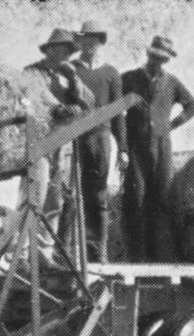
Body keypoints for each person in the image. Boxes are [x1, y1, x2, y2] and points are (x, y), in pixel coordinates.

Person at [121, 36, 194, 262]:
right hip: (136, 148)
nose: (157, 62)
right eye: (154, 57)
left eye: (162, 59)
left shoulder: (172, 82)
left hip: (162, 148)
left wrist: (171, 126)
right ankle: (138, 256)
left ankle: (163, 256)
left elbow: (192, 106)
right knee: (136, 198)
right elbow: (115, 111)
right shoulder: (129, 79)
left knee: (163, 198)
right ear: (148, 55)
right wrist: (123, 146)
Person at [23, 28, 94, 265]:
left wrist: (74, 80)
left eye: (70, 51)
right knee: (34, 194)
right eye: (63, 50)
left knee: (55, 198)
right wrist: (56, 108)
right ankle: (21, 253)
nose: (67, 55)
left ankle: (43, 252)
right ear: (50, 49)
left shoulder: (69, 75)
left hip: (62, 143)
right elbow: (29, 98)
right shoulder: (32, 72)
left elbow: (89, 102)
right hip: (39, 140)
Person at [71, 21, 127, 263]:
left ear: (101, 42)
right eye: (85, 39)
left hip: (101, 138)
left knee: (98, 195)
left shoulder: (111, 73)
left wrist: (123, 149)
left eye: (94, 39)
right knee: (70, 192)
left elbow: (118, 114)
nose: (89, 43)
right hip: (73, 138)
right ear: (80, 42)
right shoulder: (71, 69)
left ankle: (96, 252)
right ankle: (65, 251)